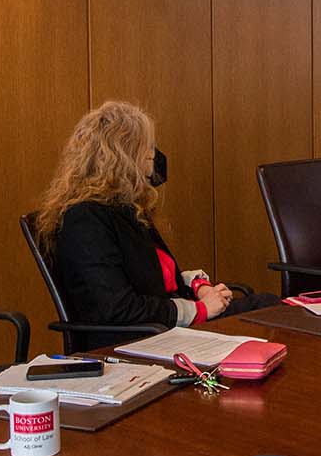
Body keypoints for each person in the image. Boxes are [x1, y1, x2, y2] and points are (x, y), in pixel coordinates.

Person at [34, 101, 272, 347]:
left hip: (165, 326)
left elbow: (150, 276)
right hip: (139, 338)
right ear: (127, 156)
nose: (154, 157)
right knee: (267, 316)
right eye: (148, 148)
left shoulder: (126, 208)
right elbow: (119, 307)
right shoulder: (84, 220)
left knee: (267, 307)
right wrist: (198, 310)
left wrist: (198, 287)